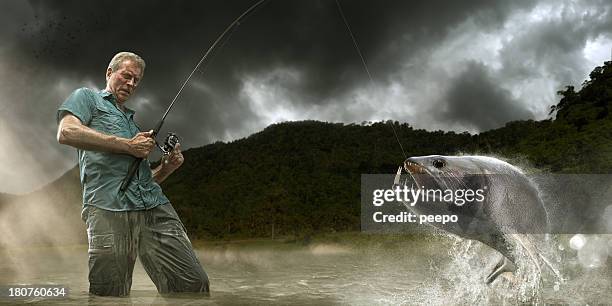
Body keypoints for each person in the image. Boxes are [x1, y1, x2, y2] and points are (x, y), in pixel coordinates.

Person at [56, 51, 210, 296]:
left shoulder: (133, 124)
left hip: (154, 207)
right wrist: (128, 145)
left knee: (192, 284)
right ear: (109, 72)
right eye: (126, 76)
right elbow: (67, 133)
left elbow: (144, 180)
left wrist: (167, 167)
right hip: (107, 210)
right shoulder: (86, 97)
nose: (131, 84)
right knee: (110, 295)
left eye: (136, 81)